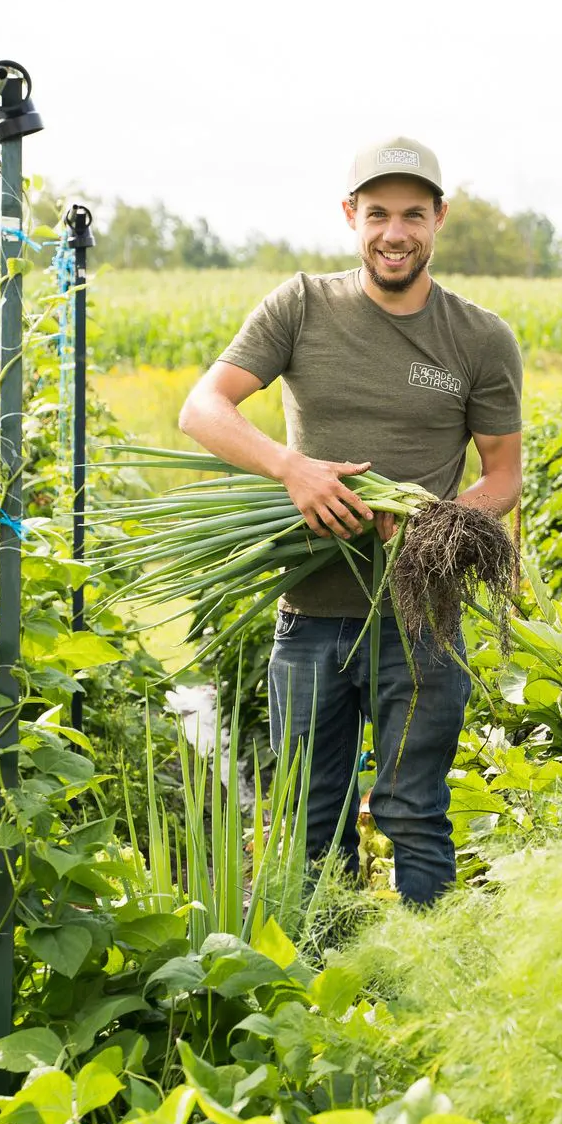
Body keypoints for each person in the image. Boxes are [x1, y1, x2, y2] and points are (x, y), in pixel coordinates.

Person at [177, 137, 522, 905]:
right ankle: (318, 980)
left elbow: (503, 478)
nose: (393, 232)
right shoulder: (300, 306)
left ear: (438, 219)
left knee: (416, 814)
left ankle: (429, 979)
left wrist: (438, 524)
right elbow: (202, 408)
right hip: (310, 620)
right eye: (376, 214)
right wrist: (291, 469)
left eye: (411, 214)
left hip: (419, 621)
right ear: (350, 217)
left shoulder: (479, 338)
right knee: (307, 821)